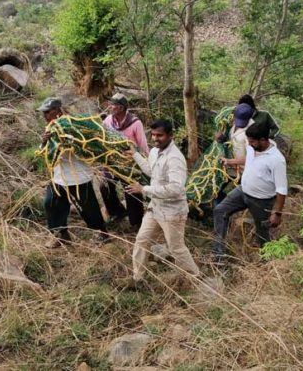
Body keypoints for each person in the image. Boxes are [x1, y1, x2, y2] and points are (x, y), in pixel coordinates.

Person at [125, 119, 200, 285]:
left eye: (160, 135)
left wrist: (144, 189)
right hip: (156, 207)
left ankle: (194, 277)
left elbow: (176, 188)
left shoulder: (175, 158)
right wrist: (136, 155)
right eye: (153, 135)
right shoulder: (154, 151)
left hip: (173, 212)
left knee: (176, 248)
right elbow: (152, 171)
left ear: (170, 136)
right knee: (141, 240)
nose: (155, 138)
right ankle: (138, 278)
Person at [212, 122, 288, 264]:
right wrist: (230, 161)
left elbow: (282, 189)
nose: (249, 144)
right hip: (243, 192)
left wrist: (277, 213)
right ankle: (217, 255)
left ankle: (266, 264)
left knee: (262, 233)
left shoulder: (277, 160)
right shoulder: (254, 147)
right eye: (249, 141)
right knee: (220, 211)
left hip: (262, 200)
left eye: (252, 141)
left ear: (263, 140)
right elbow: (248, 159)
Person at [39, 97, 108, 248]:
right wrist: (44, 142)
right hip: (58, 177)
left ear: (57, 111)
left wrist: (70, 142)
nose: (45, 116)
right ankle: (60, 235)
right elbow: (44, 151)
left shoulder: (73, 125)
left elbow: (89, 147)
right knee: (51, 204)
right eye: (43, 113)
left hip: (78, 176)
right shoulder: (51, 128)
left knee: (88, 207)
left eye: (47, 112)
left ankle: (101, 232)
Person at [100, 93, 148, 230]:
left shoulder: (135, 123)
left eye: (113, 105)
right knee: (105, 186)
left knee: (131, 189)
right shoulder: (108, 120)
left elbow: (142, 144)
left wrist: (146, 162)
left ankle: (136, 222)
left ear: (121, 108)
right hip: (112, 161)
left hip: (129, 163)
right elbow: (103, 138)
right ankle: (118, 212)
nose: (110, 107)